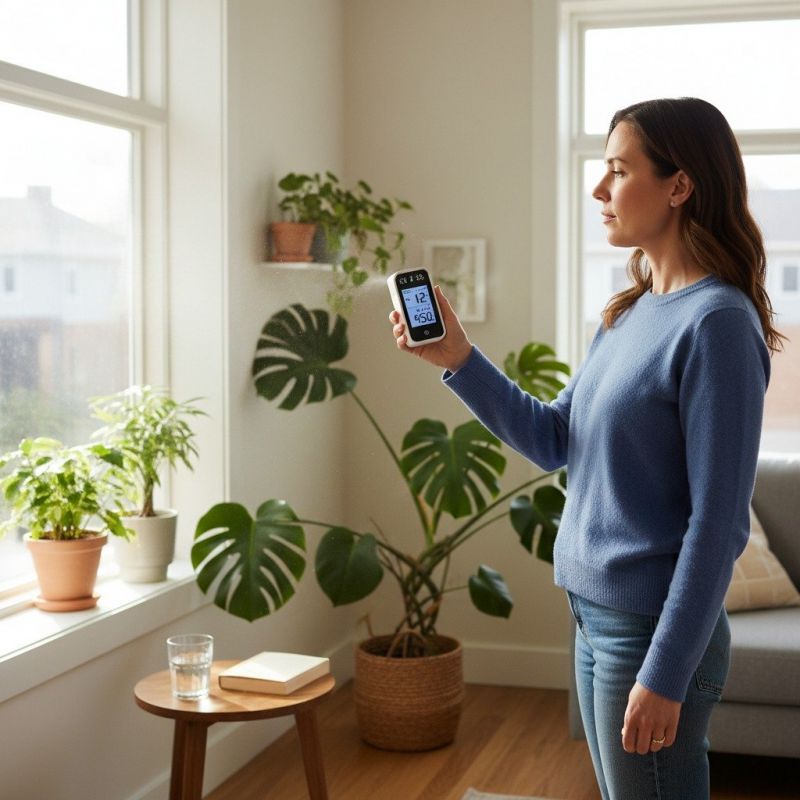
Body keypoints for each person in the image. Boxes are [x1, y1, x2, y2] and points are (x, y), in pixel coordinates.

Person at [388, 97, 783, 800]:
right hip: (592, 615)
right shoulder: (628, 315)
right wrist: (459, 357)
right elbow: (551, 440)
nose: (599, 191)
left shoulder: (718, 324)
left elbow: (718, 523)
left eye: (618, 170)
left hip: (651, 633)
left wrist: (664, 672)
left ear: (679, 186)